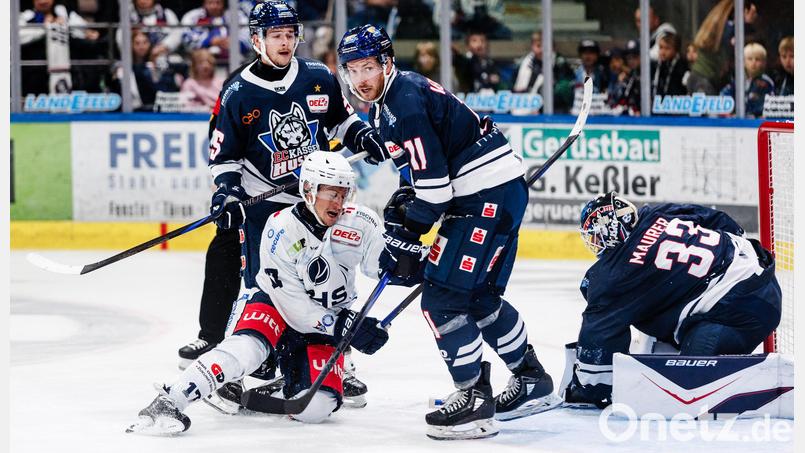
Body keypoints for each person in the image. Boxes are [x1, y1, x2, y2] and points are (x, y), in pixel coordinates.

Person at [337, 25, 559, 440]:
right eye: (352, 70)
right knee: (477, 296)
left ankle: (474, 398)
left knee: (442, 298)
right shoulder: (389, 102)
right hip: (493, 195)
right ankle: (531, 380)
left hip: (483, 200)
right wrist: (408, 210)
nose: (361, 78)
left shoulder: (402, 102)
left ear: (387, 63)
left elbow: (435, 191)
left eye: (369, 66)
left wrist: (409, 227)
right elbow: (418, 177)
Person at [177, 0, 388, 409]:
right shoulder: (238, 91)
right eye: (277, 35)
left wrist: (361, 136)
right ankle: (239, 369)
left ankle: (335, 361)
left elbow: (340, 121)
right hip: (266, 207)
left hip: (320, 199)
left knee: (331, 280)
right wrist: (228, 193)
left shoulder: (316, 76)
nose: (286, 42)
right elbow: (224, 157)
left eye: (291, 34)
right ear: (257, 39)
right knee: (266, 287)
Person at [127, 152, 394, 434]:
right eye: (331, 194)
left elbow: (383, 267)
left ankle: (286, 383)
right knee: (247, 351)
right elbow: (294, 306)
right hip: (274, 306)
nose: (338, 203)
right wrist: (346, 326)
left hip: (322, 325)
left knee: (316, 408)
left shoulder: (361, 222)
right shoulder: (280, 227)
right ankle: (171, 399)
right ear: (308, 191)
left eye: (343, 194)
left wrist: (405, 249)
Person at [563, 192, 781, 408]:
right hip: (761, 273)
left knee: (687, 387)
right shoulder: (657, 213)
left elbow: (600, 335)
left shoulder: (613, 277)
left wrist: (587, 390)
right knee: (657, 303)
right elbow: (719, 219)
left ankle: (756, 386)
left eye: (593, 237)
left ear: (607, 233)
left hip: (744, 311)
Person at [512, 31, 575, 113]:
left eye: (546, 46)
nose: (542, 50)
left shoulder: (560, 64)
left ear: (553, 47)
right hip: (524, 110)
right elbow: (513, 89)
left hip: (552, 112)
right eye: (538, 46)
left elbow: (564, 93)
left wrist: (539, 107)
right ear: (532, 46)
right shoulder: (523, 64)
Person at [720, 42, 775, 118]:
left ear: (764, 62)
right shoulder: (738, 80)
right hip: (739, 119)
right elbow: (725, 94)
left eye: (757, 59)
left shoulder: (766, 82)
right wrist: (729, 111)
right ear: (744, 62)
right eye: (750, 59)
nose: (753, 62)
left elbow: (768, 105)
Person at [181, 0, 250, 58]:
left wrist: (235, 42)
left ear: (223, 3)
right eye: (210, 3)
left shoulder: (237, 15)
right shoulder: (192, 16)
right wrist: (210, 41)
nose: (214, 6)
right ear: (204, 3)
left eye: (218, 3)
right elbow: (187, 38)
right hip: (202, 59)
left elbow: (249, 34)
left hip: (235, 57)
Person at [651, 32, 689, 99]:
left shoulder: (682, 67)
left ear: (676, 50)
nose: (662, 52)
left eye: (667, 48)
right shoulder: (656, 66)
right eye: (661, 47)